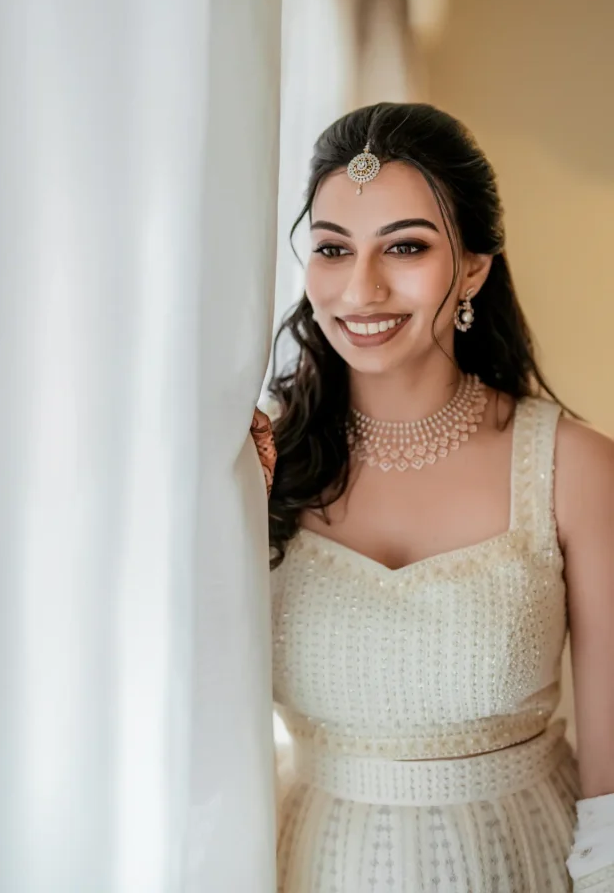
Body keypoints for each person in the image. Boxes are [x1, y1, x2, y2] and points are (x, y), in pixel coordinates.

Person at [255, 103, 614, 892]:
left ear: (474, 267)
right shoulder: (257, 460)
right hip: (309, 866)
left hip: (520, 862)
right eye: (331, 249)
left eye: (405, 247)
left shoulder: (572, 468)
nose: (361, 288)